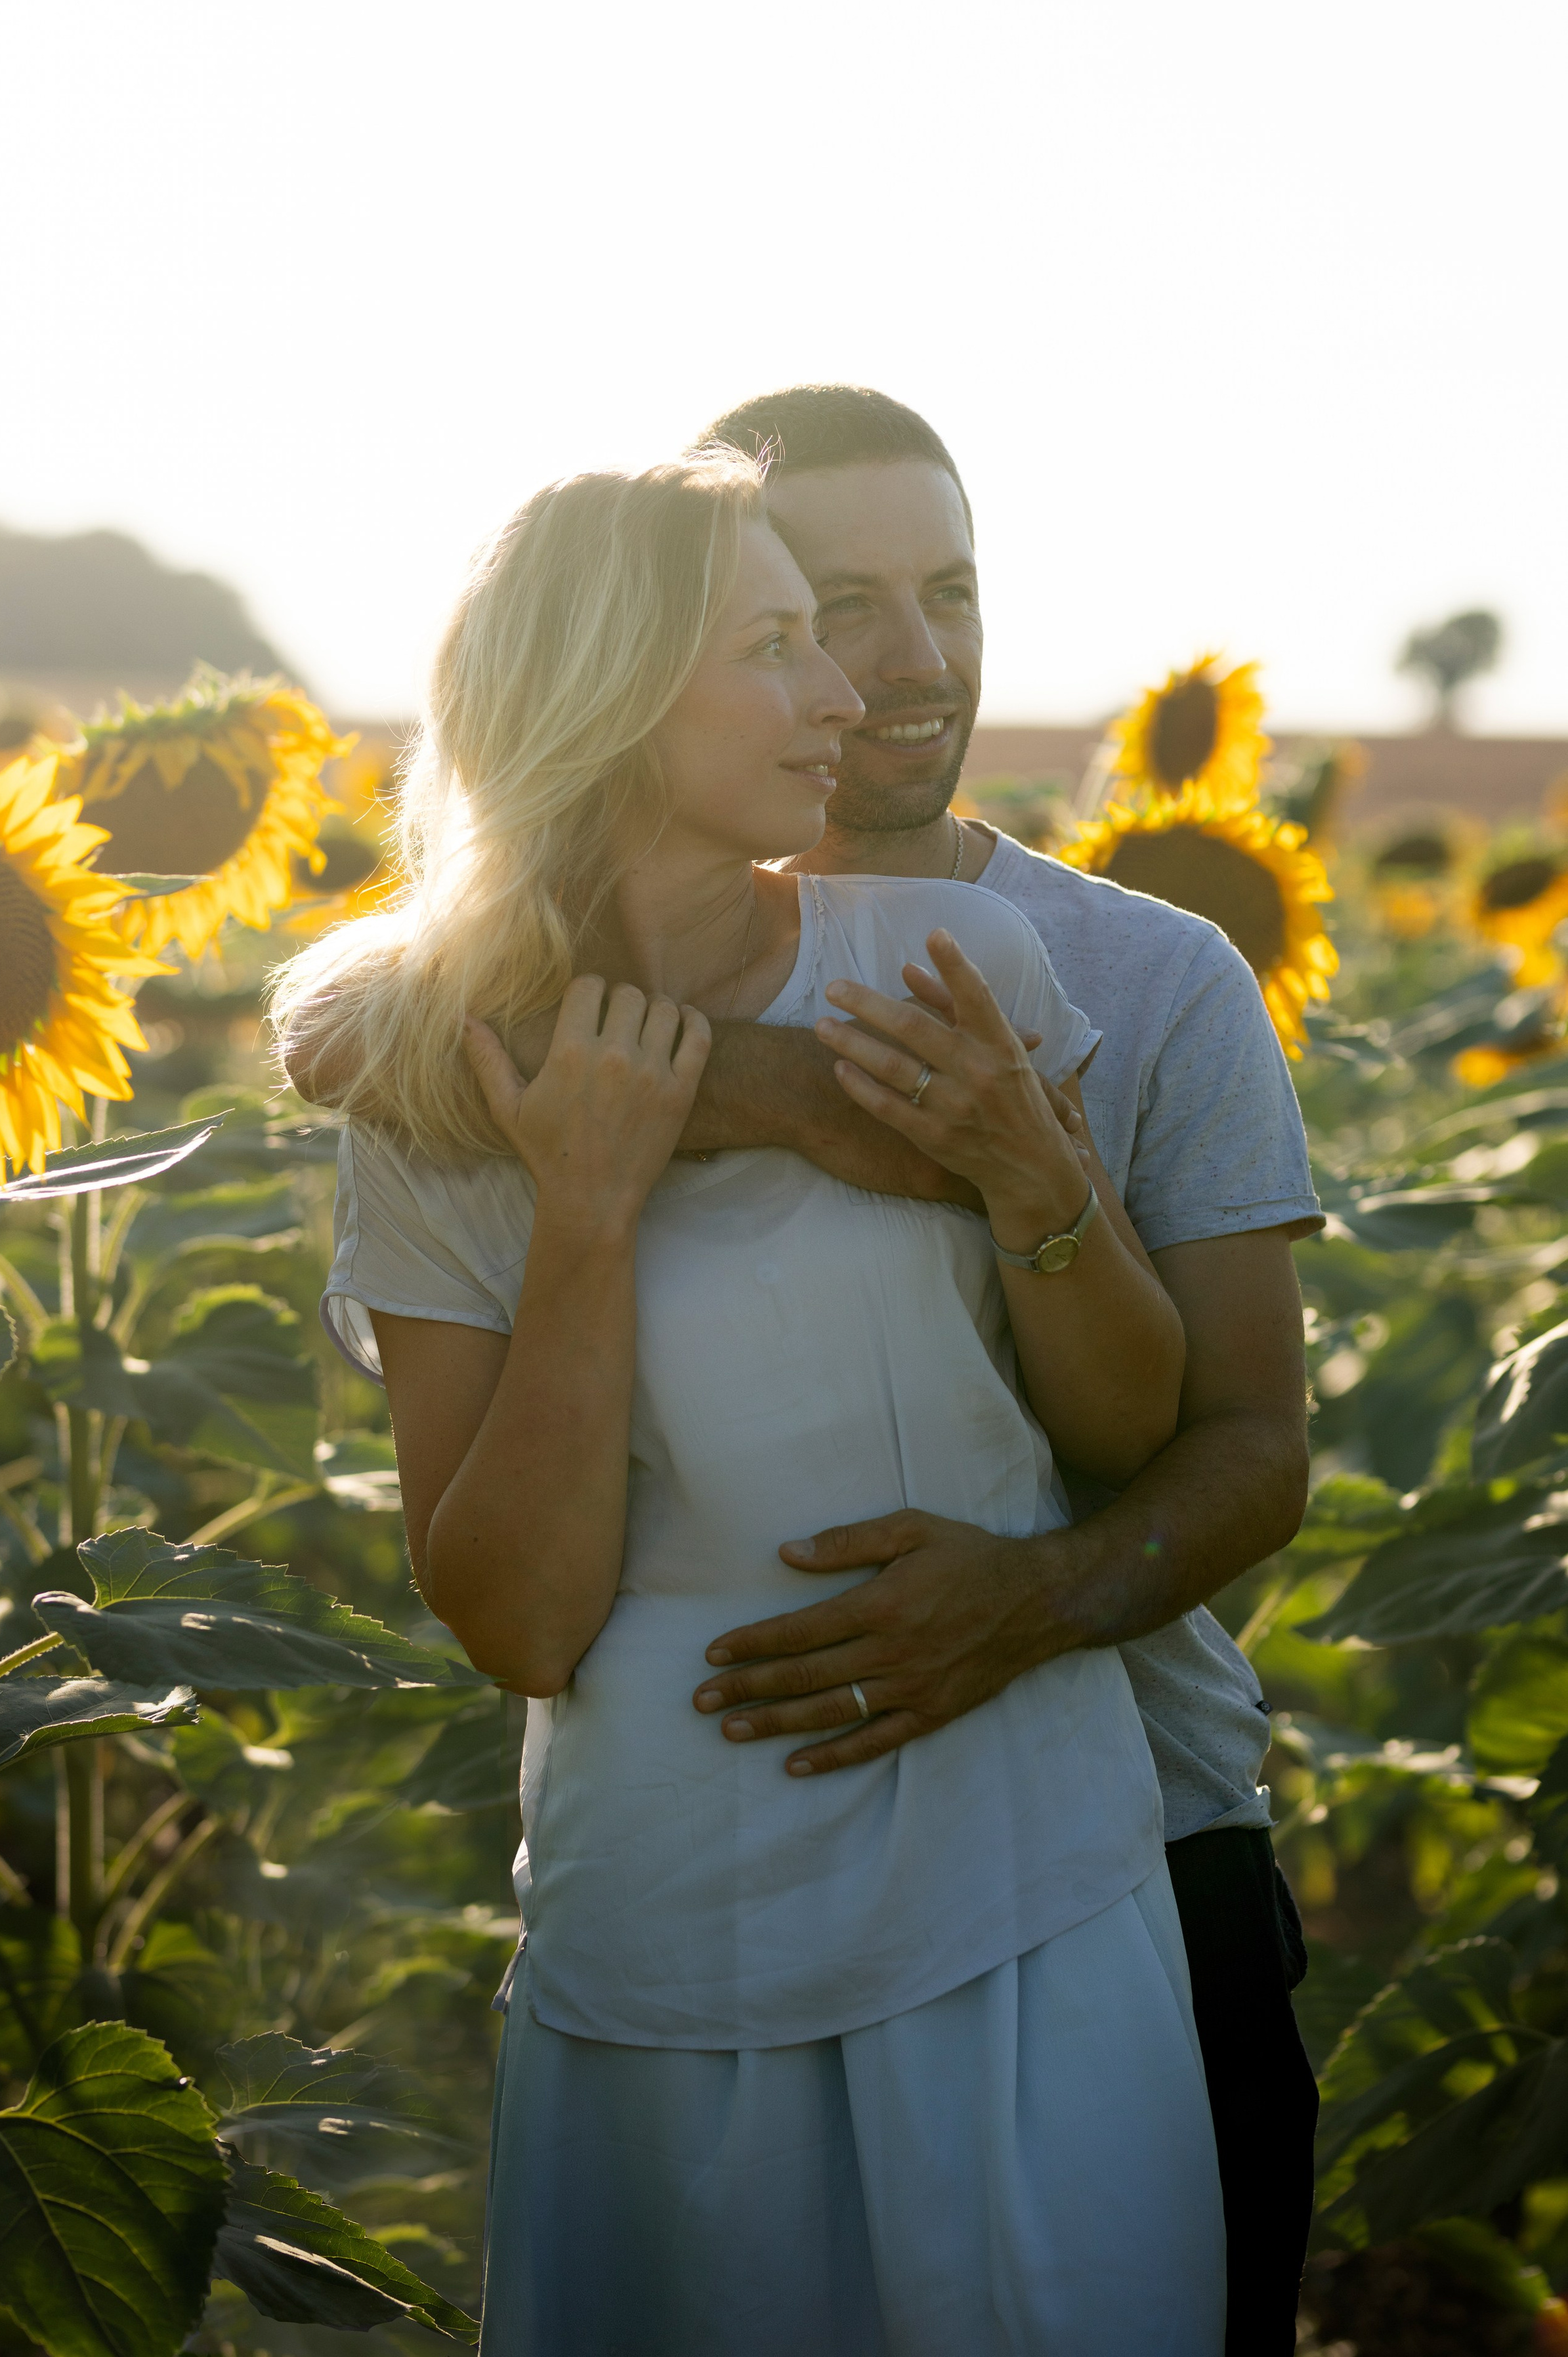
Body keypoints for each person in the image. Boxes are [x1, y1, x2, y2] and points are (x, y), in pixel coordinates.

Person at [274, 451, 1225, 2354]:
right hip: (673, 1910)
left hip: (1023, 1867)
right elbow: (522, 1617)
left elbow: (1132, 1432)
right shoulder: (442, 1069)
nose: (846, 698)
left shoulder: (955, 968)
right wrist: (590, 1217)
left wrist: (1035, 1178)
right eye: (779, 646)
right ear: (615, 692)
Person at [657, 382, 1318, 2354]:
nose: (919, 658)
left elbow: (1258, 1447)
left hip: (1150, 1834)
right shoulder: (606, 973)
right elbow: (356, 1015)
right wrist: (759, 1077)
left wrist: (1025, 1607)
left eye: (950, 588)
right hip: (751, 1853)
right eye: (838, 603)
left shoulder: (1148, 975)